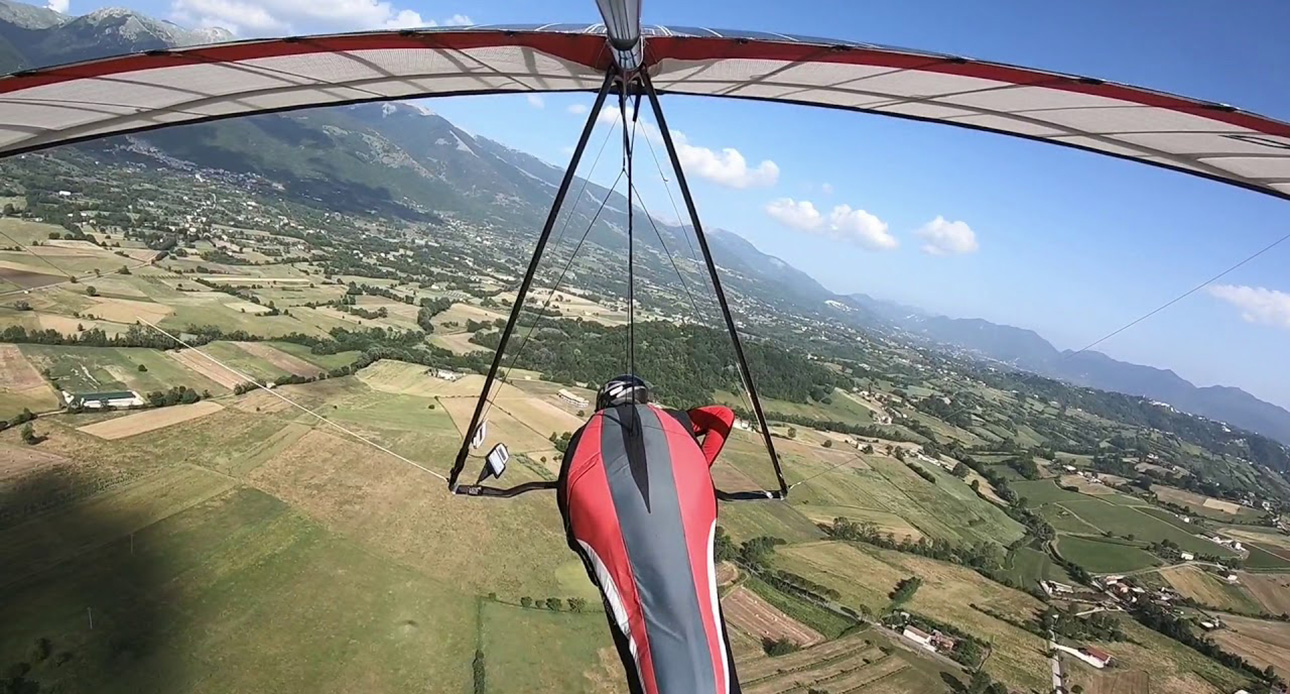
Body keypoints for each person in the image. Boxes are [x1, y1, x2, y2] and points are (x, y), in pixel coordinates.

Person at [556, 374, 742, 694]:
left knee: (638, 625)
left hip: (616, 528)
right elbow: (722, 417)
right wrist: (699, 467)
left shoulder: (586, 434)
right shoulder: (670, 419)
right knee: (696, 611)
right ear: (643, 397)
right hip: (679, 516)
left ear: (605, 401)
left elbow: (568, 499)